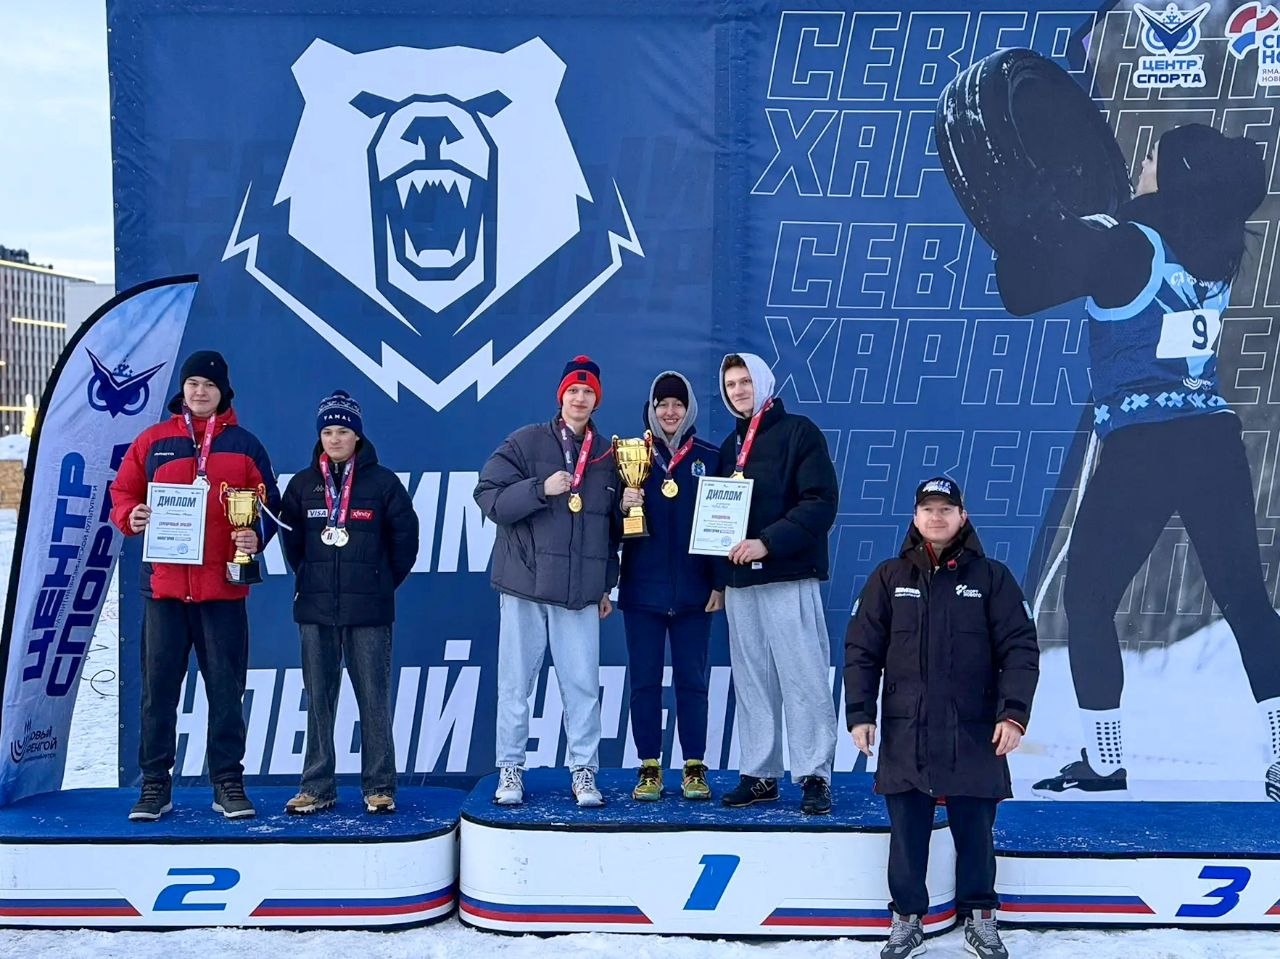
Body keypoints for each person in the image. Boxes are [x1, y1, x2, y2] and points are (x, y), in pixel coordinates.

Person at [997, 124, 1280, 801]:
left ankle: (1105, 760)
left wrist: (1030, 214)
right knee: (1245, 598)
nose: (1140, 164)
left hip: (1144, 444)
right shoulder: (1215, 244)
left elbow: (1019, 290)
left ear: (1173, 172)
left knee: (1089, 599)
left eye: (1150, 156)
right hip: (1211, 436)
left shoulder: (1128, 244)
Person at [845, 477, 1039, 959]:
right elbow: (861, 651)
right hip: (907, 729)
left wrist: (1013, 715)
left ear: (962, 516)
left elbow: (1020, 650)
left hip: (975, 731)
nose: (937, 517)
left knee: (975, 830)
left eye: (946, 509)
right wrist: (860, 714)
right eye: (927, 508)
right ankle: (907, 919)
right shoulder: (889, 578)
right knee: (907, 834)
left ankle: (980, 915)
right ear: (915, 517)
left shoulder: (992, 577)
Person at [110, 350, 280, 821]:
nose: (200, 392)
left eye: (208, 385)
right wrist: (132, 515)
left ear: (224, 392)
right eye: (192, 384)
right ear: (181, 391)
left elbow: (270, 505)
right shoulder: (153, 440)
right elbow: (122, 492)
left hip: (222, 591)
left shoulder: (245, 445)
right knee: (158, 692)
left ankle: (227, 782)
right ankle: (154, 786)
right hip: (164, 590)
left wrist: (255, 534)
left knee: (226, 690)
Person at [474, 355, 622, 807]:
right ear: (561, 397)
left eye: (588, 392)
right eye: (573, 391)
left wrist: (606, 584)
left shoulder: (608, 455)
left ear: (597, 399)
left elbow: (613, 530)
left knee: (581, 685)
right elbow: (488, 496)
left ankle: (583, 770)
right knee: (516, 684)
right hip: (524, 585)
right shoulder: (526, 442)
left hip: (579, 591)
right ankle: (510, 768)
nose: (580, 398)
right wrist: (540, 489)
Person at [278, 390, 419, 815]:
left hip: (369, 611)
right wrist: (310, 580)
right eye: (327, 431)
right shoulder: (303, 485)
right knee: (318, 702)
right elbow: (292, 543)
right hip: (316, 609)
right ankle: (316, 786)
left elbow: (405, 542)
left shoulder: (383, 483)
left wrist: (379, 583)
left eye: (343, 431)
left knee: (374, 700)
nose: (335, 438)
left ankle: (380, 786)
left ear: (358, 436)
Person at [715, 352, 839, 814]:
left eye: (745, 381)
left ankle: (814, 775)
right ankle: (760, 772)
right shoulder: (730, 446)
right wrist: (720, 576)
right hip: (741, 583)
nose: (739, 390)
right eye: (730, 385)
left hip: (788, 575)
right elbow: (720, 521)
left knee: (803, 675)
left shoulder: (799, 432)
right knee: (752, 679)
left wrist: (767, 542)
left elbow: (820, 502)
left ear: (763, 381)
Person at [616, 371, 722, 801]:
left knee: (692, 681)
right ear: (652, 408)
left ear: (690, 408)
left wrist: (720, 583)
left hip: (696, 592)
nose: (670, 411)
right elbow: (608, 527)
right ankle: (649, 767)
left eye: (678, 404)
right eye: (662, 404)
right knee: (644, 681)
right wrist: (622, 506)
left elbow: (724, 527)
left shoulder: (712, 458)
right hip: (642, 591)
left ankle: (694, 766)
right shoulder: (629, 456)